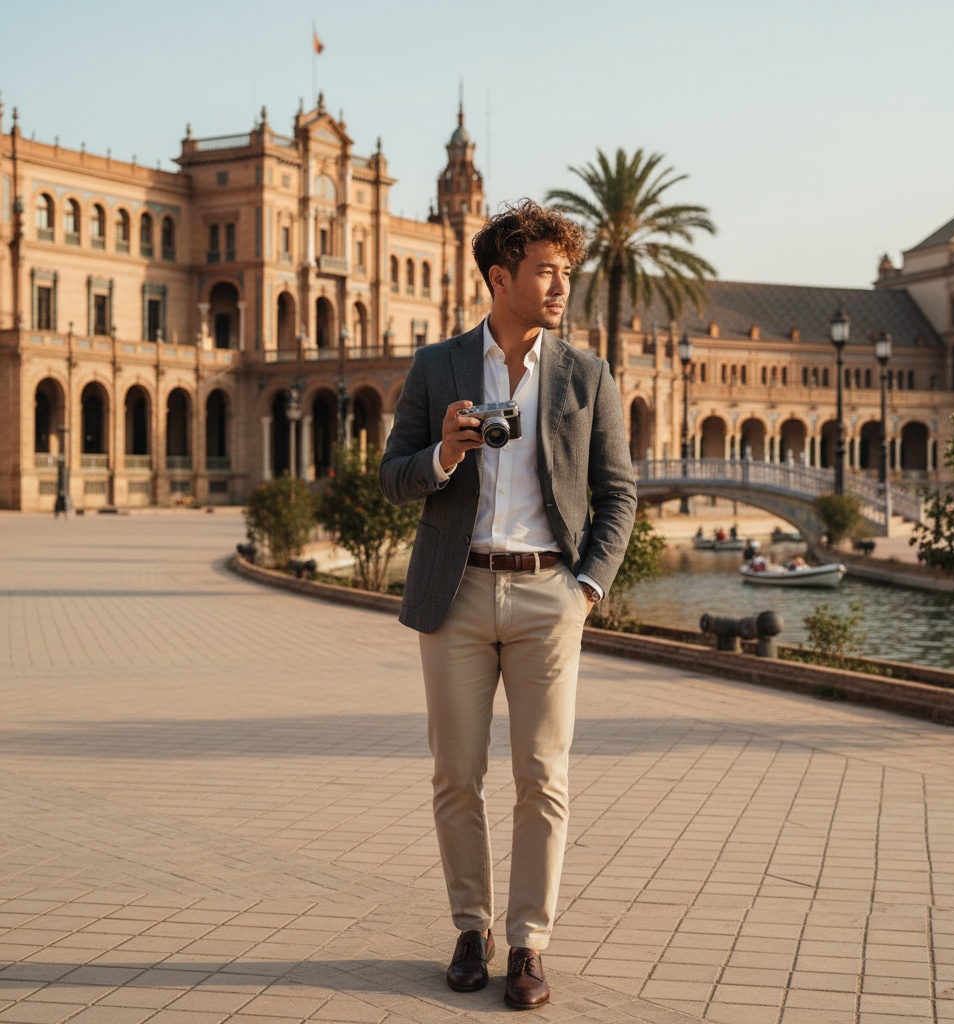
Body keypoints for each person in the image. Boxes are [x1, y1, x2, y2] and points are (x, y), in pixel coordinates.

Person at [379, 199, 637, 1008]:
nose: (561, 284)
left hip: (547, 596)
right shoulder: (437, 366)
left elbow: (619, 492)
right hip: (454, 596)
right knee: (456, 775)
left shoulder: (585, 373)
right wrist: (442, 455)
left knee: (542, 775)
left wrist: (585, 588)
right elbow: (393, 479)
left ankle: (528, 943)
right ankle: (470, 926)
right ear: (502, 276)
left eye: (568, 271)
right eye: (546, 270)